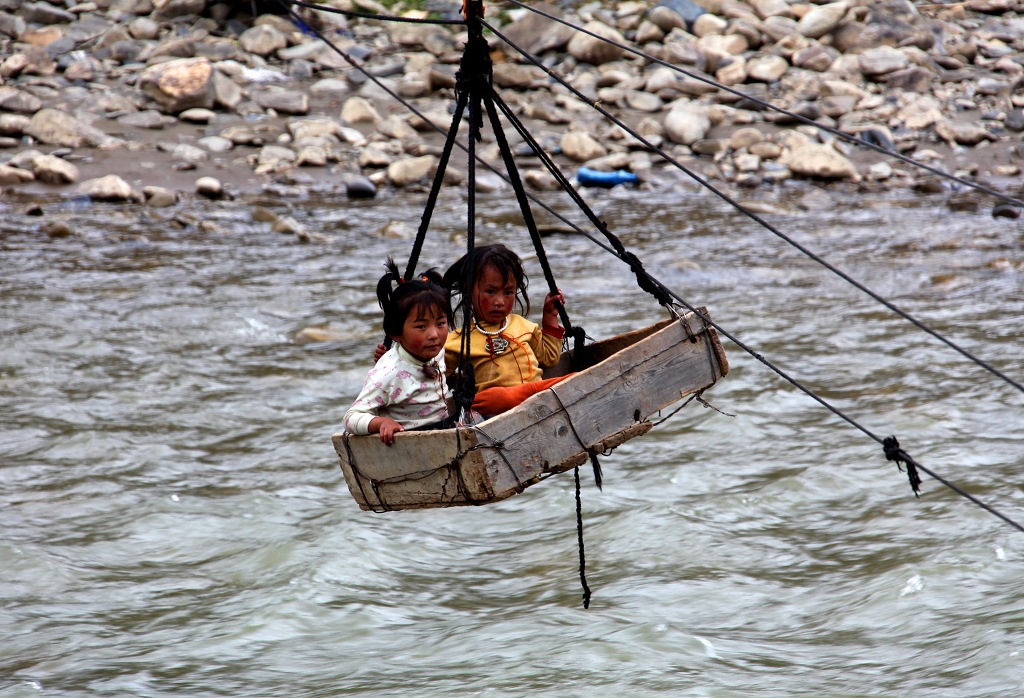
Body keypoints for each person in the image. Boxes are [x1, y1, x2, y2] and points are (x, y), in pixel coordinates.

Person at [443, 244, 572, 416]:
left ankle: (524, 395)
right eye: (490, 291)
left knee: (578, 378)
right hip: (496, 408)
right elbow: (435, 377)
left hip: (536, 397)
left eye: (508, 292)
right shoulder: (458, 341)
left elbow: (549, 358)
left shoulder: (524, 326)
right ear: (468, 289)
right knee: (501, 398)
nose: (500, 301)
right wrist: (457, 383)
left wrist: (549, 317)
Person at [344, 259, 455, 445]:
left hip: (446, 429)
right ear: (396, 333)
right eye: (421, 326)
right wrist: (381, 423)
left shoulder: (435, 352)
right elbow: (351, 417)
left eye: (441, 323)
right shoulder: (390, 373)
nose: (434, 335)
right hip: (414, 444)